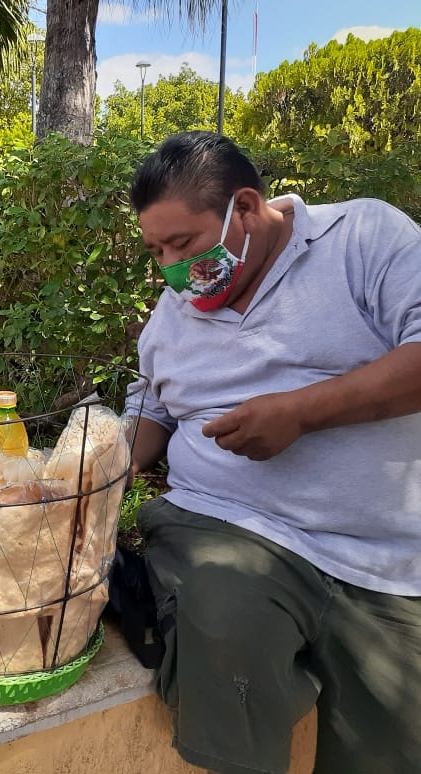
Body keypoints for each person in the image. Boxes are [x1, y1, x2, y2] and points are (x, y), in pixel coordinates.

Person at [124, 131, 421, 774]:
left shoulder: (361, 238)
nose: (171, 268)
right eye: (156, 251)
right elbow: (149, 409)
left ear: (249, 208)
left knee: (394, 743)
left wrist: (301, 413)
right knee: (225, 616)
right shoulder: (173, 309)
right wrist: (85, 471)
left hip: (384, 558)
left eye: (184, 244)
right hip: (225, 523)